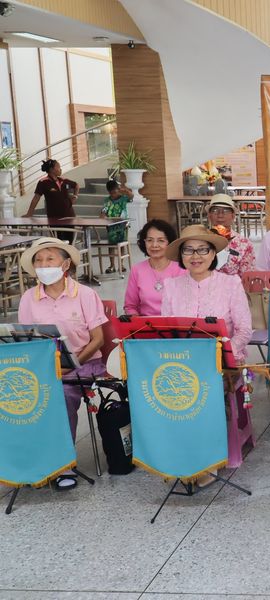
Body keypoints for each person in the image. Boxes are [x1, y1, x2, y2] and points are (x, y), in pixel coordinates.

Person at [17, 237, 107, 490]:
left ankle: (62, 465)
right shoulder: (29, 298)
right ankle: (29, 460)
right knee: (17, 393)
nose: (44, 264)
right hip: (44, 366)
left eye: (50, 259)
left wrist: (71, 364)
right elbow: (25, 340)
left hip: (84, 364)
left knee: (60, 395)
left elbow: (98, 340)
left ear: (65, 264)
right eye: (38, 260)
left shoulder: (85, 294)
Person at [160, 224, 251, 363]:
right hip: (183, 363)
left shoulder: (232, 284)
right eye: (188, 250)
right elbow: (166, 331)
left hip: (223, 363)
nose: (195, 256)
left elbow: (244, 330)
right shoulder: (171, 286)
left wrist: (224, 353)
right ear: (181, 255)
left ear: (213, 253)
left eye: (203, 249)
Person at [124, 220, 183, 316]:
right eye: (149, 240)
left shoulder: (182, 269)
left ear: (170, 243)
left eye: (161, 240)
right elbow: (130, 306)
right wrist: (135, 318)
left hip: (176, 323)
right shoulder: (137, 270)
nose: (154, 245)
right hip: (145, 324)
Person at [25, 160, 80, 242]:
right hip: (54, 218)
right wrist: (29, 213)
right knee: (57, 241)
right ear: (51, 169)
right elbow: (36, 198)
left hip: (69, 216)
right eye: (58, 167)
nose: (60, 169)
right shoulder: (43, 182)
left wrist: (75, 197)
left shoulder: (64, 180)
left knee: (70, 242)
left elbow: (76, 185)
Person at [206, 194, 256, 277]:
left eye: (226, 211)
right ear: (209, 216)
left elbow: (248, 276)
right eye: (215, 210)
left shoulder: (244, 244)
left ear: (233, 216)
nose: (220, 215)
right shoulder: (200, 241)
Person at [99, 179, 133, 273]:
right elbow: (104, 211)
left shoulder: (123, 198)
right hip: (111, 226)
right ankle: (112, 265)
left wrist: (125, 190)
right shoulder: (107, 200)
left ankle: (121, 265)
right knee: (111, 245)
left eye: (115, 192)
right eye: (111, 193)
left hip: (122, 225)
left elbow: (131, 196)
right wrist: (102, 215)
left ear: (118, 189)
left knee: (121, 245)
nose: (113, 195)